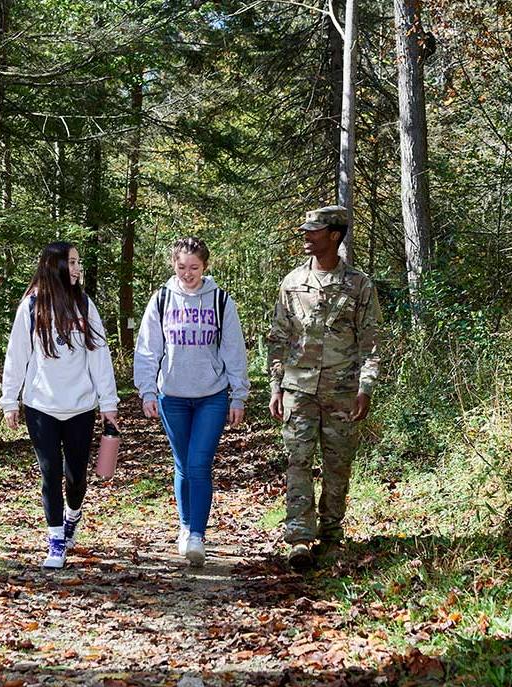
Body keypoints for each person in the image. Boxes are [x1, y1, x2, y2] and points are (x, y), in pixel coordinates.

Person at [267, 205, 382, 571]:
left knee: (337, 464)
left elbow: (372, 343)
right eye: (306, 230)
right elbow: (278, 338)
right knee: (298, 460)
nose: (306, 236)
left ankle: (331, 535)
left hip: (342, 390)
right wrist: (275, 386)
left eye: (314, 231)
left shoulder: (359, 285)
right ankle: (299, 537)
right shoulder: (292, 283)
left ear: (334, 235)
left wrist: (366, 387)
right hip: (298, 388)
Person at [0, 242, 119, 569]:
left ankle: (72, 515)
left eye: (79, 262)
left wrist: (109, 403)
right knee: (49, 472)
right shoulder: (32, 306)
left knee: (75, 476)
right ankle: (55, 540)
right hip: (41, 406)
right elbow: (17, 355)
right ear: (56, 266)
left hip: (80, 407)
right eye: (73, 262)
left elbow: (99, 356)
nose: (79, 268)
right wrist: (10, 399)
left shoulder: (84, 304)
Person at [134, 237, 249, 568]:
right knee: (183, 464)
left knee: (199, 463)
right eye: (182, 267)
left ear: (205, 267)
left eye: (194, 267)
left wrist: (238, 394)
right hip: (172, 397)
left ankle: (197, 534)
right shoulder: (161, 300)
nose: (188, 273)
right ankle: (184, 528)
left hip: (211, 396)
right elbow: (147, 349)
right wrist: (147, 391)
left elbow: (234, 352)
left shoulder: (221, 302)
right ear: (174, 265)